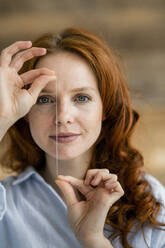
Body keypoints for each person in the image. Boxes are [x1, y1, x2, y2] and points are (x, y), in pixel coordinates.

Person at [0, 27, 164, 248]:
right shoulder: (7, 205)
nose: (63, 117)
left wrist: (93, 240)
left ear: (105, 108)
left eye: (82, 97)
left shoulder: (152, 203)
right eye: (44, 99)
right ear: (26, 113)